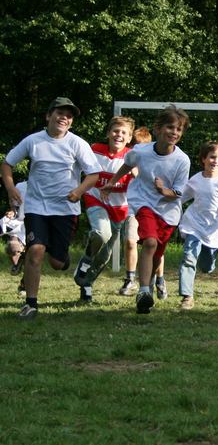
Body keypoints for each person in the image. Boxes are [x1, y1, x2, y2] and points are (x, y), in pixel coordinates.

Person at [1, 97, 101, 319]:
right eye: (59, 112)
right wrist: (10, 189)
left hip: (66, 209)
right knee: (35, 251)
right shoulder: (33, 141)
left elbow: (93, 174)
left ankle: (68, 259)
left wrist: (79, 191)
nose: (64, 117)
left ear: (71, 122)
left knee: (57, 263)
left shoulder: (77, 144)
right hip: (36, 207)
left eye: (69, 115)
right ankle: (31, 304)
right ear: (48, 116)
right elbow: (7, 164)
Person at [101, 105, 191, 314]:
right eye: (170, 127)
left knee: (157, 252)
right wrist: (113, 182)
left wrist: (163, 190)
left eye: (179, 130)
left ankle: (147, 289)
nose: (174, 133)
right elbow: (127, 165)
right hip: (143, 203)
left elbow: (178, 193)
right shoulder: (140, 151)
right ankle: (142, 290)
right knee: (149, 243)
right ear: (158, 129)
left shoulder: (182, 160)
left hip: (168, 212)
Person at [72, 116, 135, 303]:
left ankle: (86, 285)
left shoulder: (132, 156)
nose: (119, 135)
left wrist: (136, 172)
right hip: (96, 200)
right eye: (116, 131)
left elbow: (139, 175)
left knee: (105, 256)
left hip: (120, 209)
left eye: (124, 132)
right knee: (101, 233)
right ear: (108, 133)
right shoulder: (94, 150)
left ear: (129, 138)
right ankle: (86, 258)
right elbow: (78, 166)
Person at [176, 141, 218, 310]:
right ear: (203, 159)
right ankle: (187, 296)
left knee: (207, 266)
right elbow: (180, 198)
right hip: (194, 225)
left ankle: (208, 263)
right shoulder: (195, 180)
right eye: (212, 157)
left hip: (215, 229)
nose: (215, 161)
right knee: (188, 258)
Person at [118, 125, 158, 296]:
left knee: (153, 244)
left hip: (151, 207)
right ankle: (130, 279)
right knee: (130, 241)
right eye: (135, 146)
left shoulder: (154, 162)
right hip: (132, 206)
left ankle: (158, 280)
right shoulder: (127, 159)